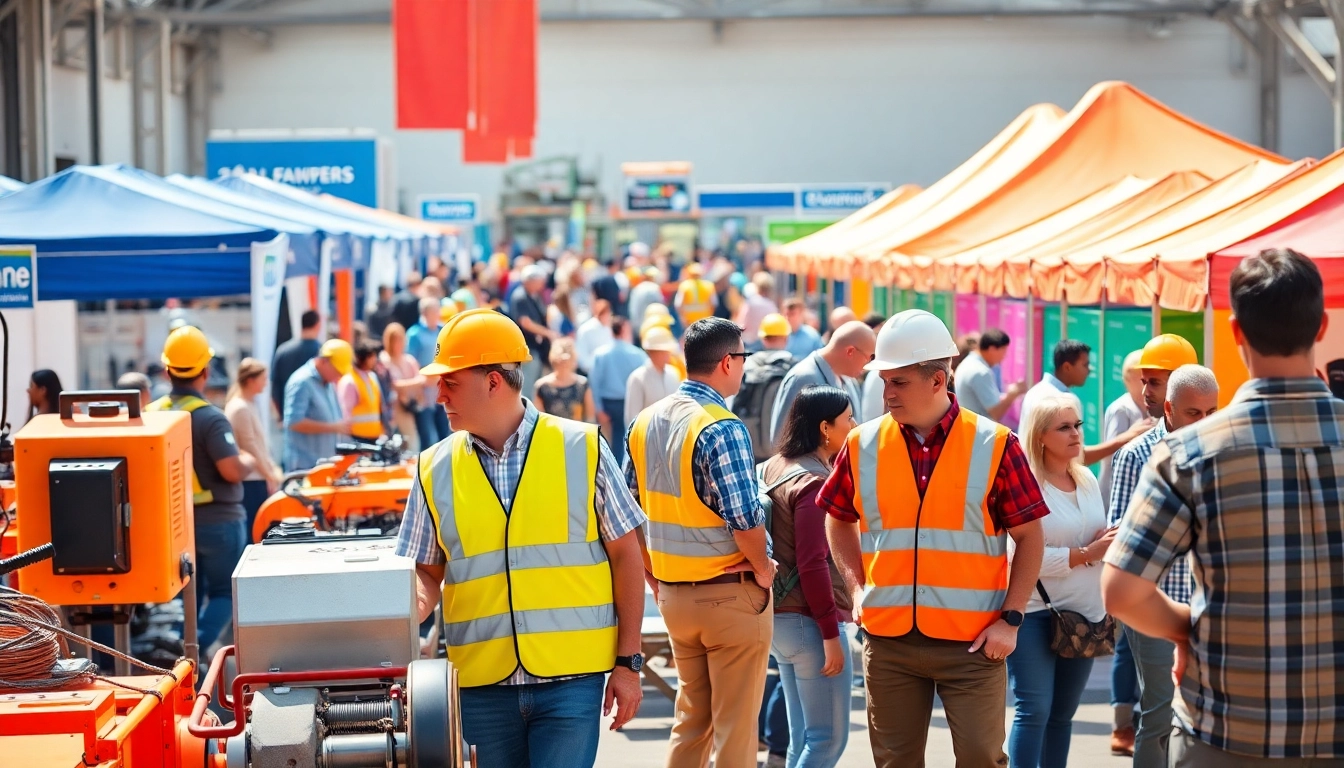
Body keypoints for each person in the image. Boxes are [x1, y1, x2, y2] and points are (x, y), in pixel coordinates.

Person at [1102, 249, 1344, 767]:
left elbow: (1121, 590)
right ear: (1321, 326)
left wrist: (1188, 630)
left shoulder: (1186, 454)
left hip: (1226, 731)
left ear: (1236, 332)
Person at [394, 308, 646, 768]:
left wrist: (628, 663)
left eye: (450, 381)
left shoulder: (582, 447)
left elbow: (627, 555)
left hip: (571, 679)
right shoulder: (434, 467)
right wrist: (399, 611)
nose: (438, 394)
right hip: (481, 685)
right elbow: (426, 573)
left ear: (493, 381)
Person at [819, 309, 1048, 768]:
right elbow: (837, 519)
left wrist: (1012, 619)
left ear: (938, 379)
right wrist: (856, 589)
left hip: (974, 642)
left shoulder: (997, 444)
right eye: (884, 380)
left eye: (898, 382)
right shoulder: (862, 444)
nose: (885, 392)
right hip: (889, 641)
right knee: (894, 762)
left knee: (982, 759)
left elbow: (1030, 537)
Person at [626, 316, 777, 768]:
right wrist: (765, 567)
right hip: (730, 593)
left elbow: (626, 511)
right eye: (743, 359)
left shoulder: (644, 421)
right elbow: (746, 518)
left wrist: (653, 572)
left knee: (691, 720)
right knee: (736, 728)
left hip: (674, 593)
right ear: (728, 362)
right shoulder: (722, 426)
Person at [1106, 362, 1216, 768]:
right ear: (1168, 408)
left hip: (1206, 606)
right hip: (1151, 605)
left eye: (1210, 413)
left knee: (1202, 719)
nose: (1202, 422)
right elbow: (1118, 531)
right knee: (1158, 714)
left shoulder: (1219, 451)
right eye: (1193, 413)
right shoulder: (1136, 455)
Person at [1007, 392, 1113, 768]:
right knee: (1034, 709)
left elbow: (1090, 536)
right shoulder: (1026, 485)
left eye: (1077, 425)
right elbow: (1019, 557)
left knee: (1062, 715)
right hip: (1034, 613)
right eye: (1064, 427)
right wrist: (1087, 554)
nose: (1075, 434)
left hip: (1085, 615)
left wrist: (1106, 539)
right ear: (1039, 436)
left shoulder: (1084, 477)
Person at [760, 385, 857, 768]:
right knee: (826, 742)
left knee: (804, 737)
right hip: (809, 624)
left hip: (778, 620)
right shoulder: (814, 481)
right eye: (848, 418)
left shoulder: (774, 466)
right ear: (825, 428)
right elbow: (814, 561)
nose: (854, 424)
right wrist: (832, 634)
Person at [148, 326, 258, 648]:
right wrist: (249, 460)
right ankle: (192, 647)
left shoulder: (151, 415)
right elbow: (232, 470)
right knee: (225, 591)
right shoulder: (211, 418)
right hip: (219, 521)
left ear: (167, 370)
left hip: (173, 525)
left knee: (187, 592)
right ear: (206, 371)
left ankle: (182, 651)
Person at [1019, 339, 1152, 465]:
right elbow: (1077, 457)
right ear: (1067, 367)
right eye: (1085, 365)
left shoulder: (1035, 391)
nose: (1089, 370)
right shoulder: (1063, 400)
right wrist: (1127, 437)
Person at [769, 321, 876, 446]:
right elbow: (780, 441)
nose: (869, 365)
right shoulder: (803, 378)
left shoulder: (849, 381)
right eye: (870, 357)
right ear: (850, 351)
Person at [224, 358, 283, 539]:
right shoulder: (240, 407)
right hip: (251, 480)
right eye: (263, 378)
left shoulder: (247, 405)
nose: (266, 383)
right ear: (251, 380)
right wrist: (268, 473)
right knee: (255, 530)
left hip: (256, 477)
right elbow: (250, 445)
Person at [282, 339, 353, 472]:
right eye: (337, 371)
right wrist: (332, 427)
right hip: (303, 468)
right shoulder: (301, 382)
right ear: (323, 361)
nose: (338, 376)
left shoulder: (328, 383)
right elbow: (293, 422)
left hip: (323, 465)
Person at [734, 313, 796, 463]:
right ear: (786, 338)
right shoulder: (794, 368)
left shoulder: (746, 366)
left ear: (763, 338)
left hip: (750, 446)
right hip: (783, 449)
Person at [590, 317, 647, 465]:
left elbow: (594, 383)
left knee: (606, 444)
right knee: (628, 441)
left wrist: (598, 408)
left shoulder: (600, 354)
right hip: (629, 402)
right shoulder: (637, 354)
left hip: (607, 403)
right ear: (623, 330)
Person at [1100, 350, 1148, 510]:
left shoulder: (1148, 407)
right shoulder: (1121, 409)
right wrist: (1132, 436)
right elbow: (1112, 454)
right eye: (1142, 379)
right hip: (1116, 491)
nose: (1146, 384)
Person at [954, 328, 1027, 422]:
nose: (1005, 356)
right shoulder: (980, 372)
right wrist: (1012, 395)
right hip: (979, 432)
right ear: (992, 349)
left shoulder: (968, 363)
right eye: (1004, 351)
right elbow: (996, 412)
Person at [509, 265, 559, 395]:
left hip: (535, 348)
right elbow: (525, 322)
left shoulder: (533, 295)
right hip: (527, 347)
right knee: (527, 387)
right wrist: (548, 333)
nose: (542, 283)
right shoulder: (520, 296)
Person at [407, 297, 450, 446]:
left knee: (445, 432)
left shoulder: (442, 330)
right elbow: (411, 362)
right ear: (425, 313)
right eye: (434, 311)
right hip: (424, 391)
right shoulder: (414, 334)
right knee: (427, 436)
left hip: (441, 388)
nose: (437, 314)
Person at [623, 325, 681, 427]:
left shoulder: (673, 374)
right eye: (664, 351)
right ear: (653, 352)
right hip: (646, 438)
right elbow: (632, 418)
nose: (668, 354)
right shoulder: (638, 378)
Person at [271, 310, 323, 417]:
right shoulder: (322, 352)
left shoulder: (283, 350)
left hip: (287, 414)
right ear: (318, 325)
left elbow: (274, 385)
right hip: (316, 418)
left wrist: (280, 415)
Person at [380, 322, 424, 451]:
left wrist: (404, 386)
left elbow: (422, 380)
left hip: (407, 407)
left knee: (412, 443)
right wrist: (410, 383)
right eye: (395, 340)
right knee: (390, 443)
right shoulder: (384, 360)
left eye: (401, 340)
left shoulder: (409, 360)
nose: (399, 344)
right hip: (391, 409)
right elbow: (393, 385)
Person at [533, 338, 595, 423]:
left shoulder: (583, 384)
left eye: (567, 361)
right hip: (551, 433)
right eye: (561, 361)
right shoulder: (542, 386)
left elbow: (590, 418)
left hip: (577, 433)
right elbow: (539, 420)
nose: (564, 364)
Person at [337, 340, 386, 441]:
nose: (375, 360)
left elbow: (378, 407)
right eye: (371, 357)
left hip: (374, 436)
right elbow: (345, 413)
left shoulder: (372, 377)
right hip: (356, 438)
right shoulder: (350, 381)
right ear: (361, 358)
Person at [735, 272, 779, 343]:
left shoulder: (750, 303)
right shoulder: (772, 306)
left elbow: (740, 324)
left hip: (749, 343)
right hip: (765, 343)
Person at [575, 300, 615, 375]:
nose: (609, 316)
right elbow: (581, 356)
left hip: (608, 371)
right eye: (606, 313)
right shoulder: (586, 330)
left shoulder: (610, 327)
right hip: (591, 372)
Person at [674, 262, 717, 328]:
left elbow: (678, 304)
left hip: (689, 320)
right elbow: (714, 304)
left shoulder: (684, 285)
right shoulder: (709, 285)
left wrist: (682, 318)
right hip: (705, 319)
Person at [629, 266, 665, 332]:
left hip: (638, 327)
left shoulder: (636, 289)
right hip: (653, 326)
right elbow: (660, 307)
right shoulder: (654, 288)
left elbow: (633, 310)